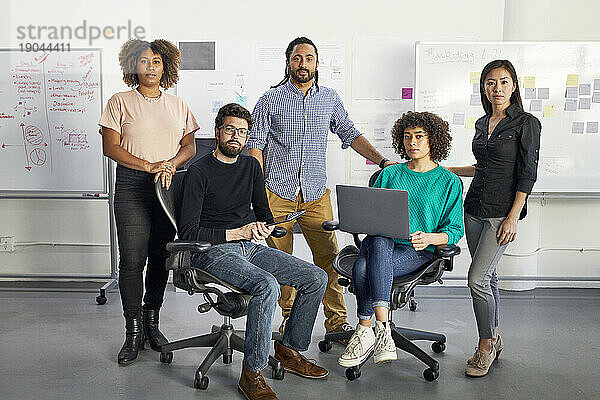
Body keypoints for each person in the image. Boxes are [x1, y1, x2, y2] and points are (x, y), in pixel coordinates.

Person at [248, 36, 396, 342]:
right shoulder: (269, 100)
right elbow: (255, 146)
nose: (303, 64)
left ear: (317, 63)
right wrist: (255, 192)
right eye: (297, 58)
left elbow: (350, 134)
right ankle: (289, 318)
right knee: (282, 261)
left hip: (316, 194)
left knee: (330, 257)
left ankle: (337, 322)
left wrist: (382, 161)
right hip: (277, 192)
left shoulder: (329, 98)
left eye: (309, 58)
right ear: (288, 62)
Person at [180, 103, 329, 400]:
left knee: (315, 277)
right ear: (218, 131)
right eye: (231, 129)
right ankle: (252, 372)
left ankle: (288, 349)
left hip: (247, 245)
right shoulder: (198, 171)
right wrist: (239, 232)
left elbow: (264, 214)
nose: (237, 136)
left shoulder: (251, 166)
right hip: (210, 250)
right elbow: (188, 232)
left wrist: (266, 227)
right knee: (266, 284)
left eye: (243, 132)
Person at [99, 39, 198, 365]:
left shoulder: (178, 104)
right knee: (131, 259)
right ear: (133, 66)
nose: (151, 67)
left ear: (165, 66)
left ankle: (152, 323)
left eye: (156, 61)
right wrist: (149, 165)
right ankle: (133, 330)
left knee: (160, 256)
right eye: (144, 61)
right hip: (131, 186)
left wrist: (170, 164)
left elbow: (189, 146)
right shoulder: (119, 101)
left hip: (167, 186)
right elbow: (111, 147)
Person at [338, 111, 464, 368]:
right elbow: (371, 217)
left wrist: (431, 237)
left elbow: (454, 229)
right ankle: (383, 329)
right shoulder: (390, 174)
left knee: (363, 266)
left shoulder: (449, 181)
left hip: (417, 251)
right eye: (407, 137)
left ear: (433, 140)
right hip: (381, 243)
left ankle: (366, 329)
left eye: (419, 136)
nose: (412, 143)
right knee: (380, 240)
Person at [447, 59, 541, 377]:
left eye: (503, 82)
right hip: (473, 210)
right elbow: (481, 167)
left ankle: (485, 344)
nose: (496, 88)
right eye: (490, 82)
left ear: (513, 86)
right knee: (490, 278)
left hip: (501, 214)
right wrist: (445, 170)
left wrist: (513, 217)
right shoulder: (481, 122)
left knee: (477, 280)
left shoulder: (526, 123)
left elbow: (526, 175)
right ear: (483, 88)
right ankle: (496, 336)